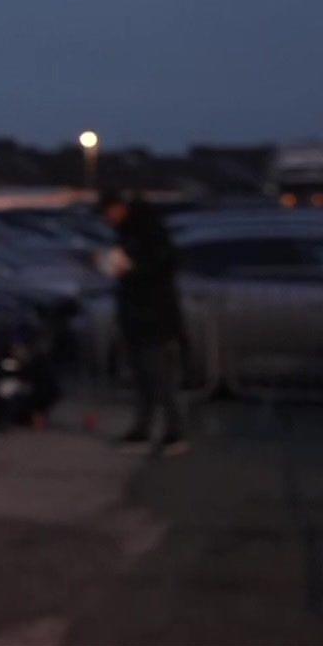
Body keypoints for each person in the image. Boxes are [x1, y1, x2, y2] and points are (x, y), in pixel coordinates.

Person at [101, 192, 188, 457]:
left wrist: (131, 270)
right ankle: (143, 429)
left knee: (158, 377)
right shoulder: (131, 233)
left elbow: (156, 271)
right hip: (138, 316)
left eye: (109, 212)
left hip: (153, 318)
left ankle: (174, 433)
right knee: (143, 377)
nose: (108, 219)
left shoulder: (147, 235)